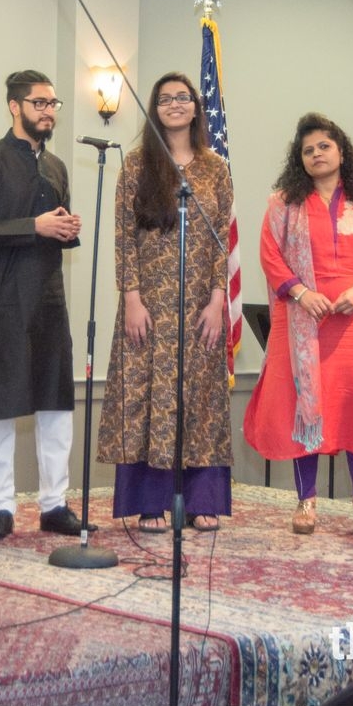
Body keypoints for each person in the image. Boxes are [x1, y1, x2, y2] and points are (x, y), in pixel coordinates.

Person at [242, 113, 353, 536]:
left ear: (341, 151)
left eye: (324, 146)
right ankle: (306, 501)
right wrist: (301, 294)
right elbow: (270, 256)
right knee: (306, 407)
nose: (316, 154)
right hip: (303, 322)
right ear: (300, 159)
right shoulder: (283, 204)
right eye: (308, 150)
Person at [96, 73, 233, 532]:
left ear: (196, 107)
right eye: (165, 99)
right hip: (149, 306)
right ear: (154, 109)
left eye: (183, 98)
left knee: (202, 399)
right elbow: (123, 237)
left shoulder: (216, 168)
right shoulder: (137, 165)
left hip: (200, 306)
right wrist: (131, 299)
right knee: (147, 399)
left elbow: (220, 243)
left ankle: (201, 500)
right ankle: (150, 502)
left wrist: (217, 303)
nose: (175, 104)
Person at [0, 69, 87, 541]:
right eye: (39, 104)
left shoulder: (56, 168)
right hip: (1, 304)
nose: (48, 112)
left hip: (49, 301)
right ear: (15, 106)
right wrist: (32, 226)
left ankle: (54, 503)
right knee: (2, 409)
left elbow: (50, 230)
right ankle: (2, 507)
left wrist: (64, 228)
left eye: (53, 104)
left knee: (56, 406)